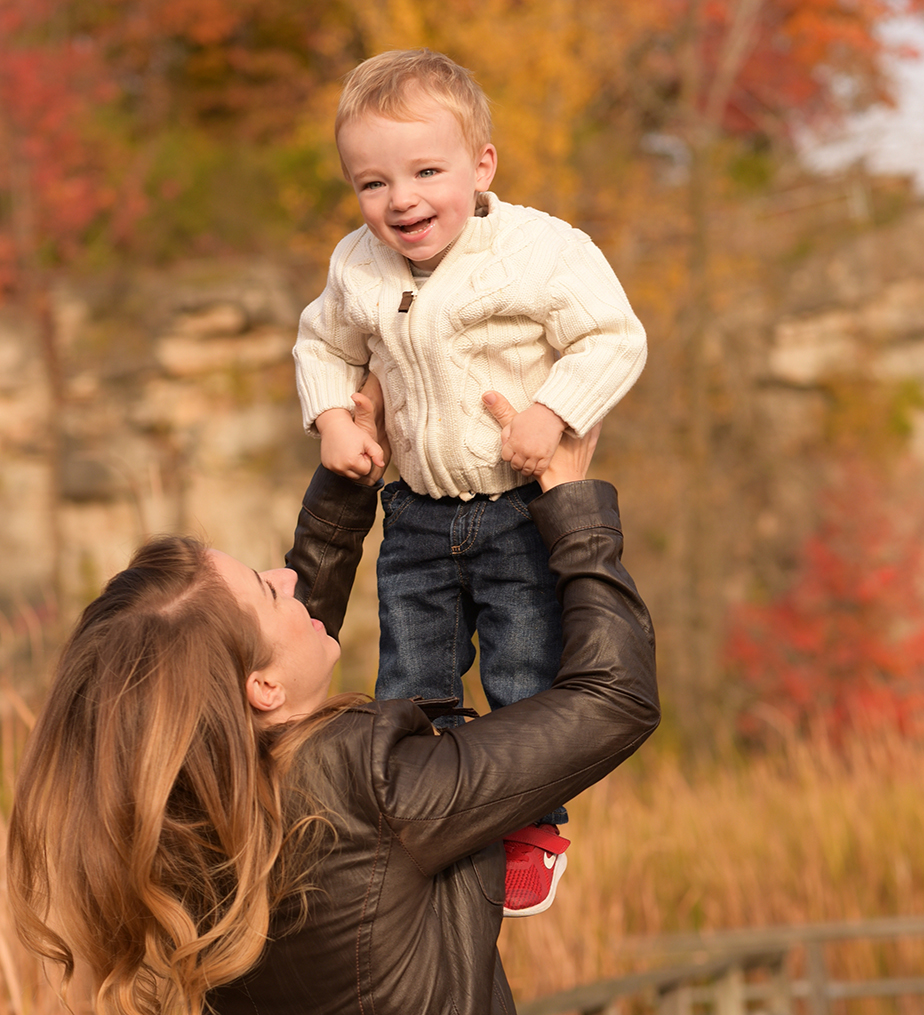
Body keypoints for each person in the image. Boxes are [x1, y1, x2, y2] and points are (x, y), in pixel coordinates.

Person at [6, 389, 659, 1015]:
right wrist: (574, 506)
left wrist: (352, 472)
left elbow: (271, 665)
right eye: (267, 590)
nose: (287, 576)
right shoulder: (372, 786)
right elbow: (614, 695)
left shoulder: (189, 830)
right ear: (257, 689)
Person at [293, 48, 647, 913]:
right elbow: (321, 345)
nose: (401, 199)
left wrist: (552, 412)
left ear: (480, 165)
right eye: (372, 183)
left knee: (527, 666)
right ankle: (425, 814)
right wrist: (335, 418)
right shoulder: (357, 266)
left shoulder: (538, 250)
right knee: (412, 676)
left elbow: (613, 337)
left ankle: (533, 823)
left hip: (517, 504)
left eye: (425, 171)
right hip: (414, 511)